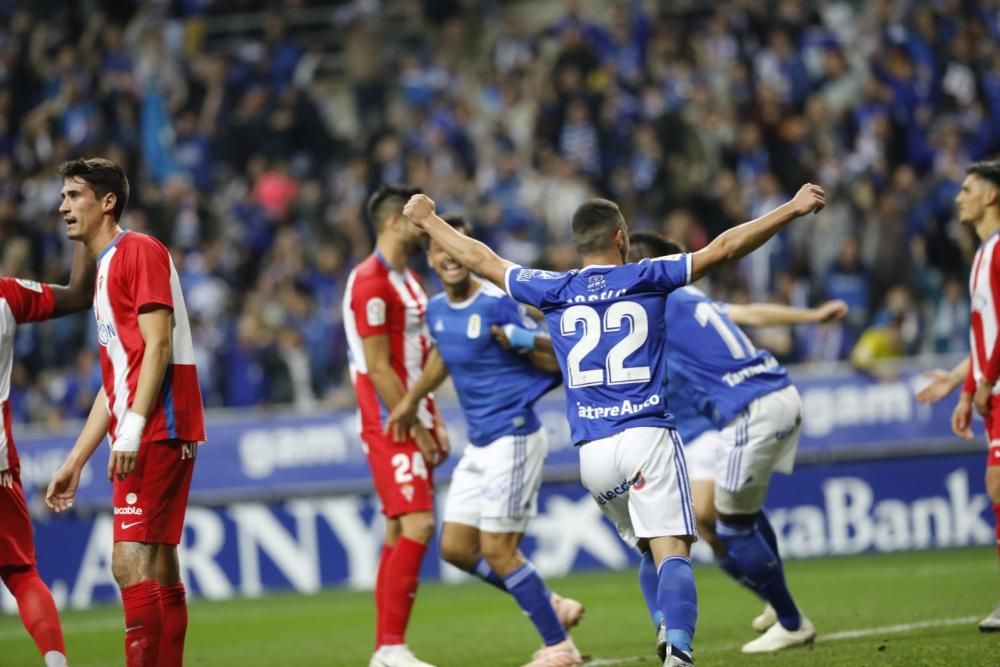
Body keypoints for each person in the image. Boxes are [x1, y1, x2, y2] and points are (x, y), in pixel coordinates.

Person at [402, 183, 827, 667]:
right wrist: (790, 209)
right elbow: (725, 247)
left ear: (577, 246)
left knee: (648, 549)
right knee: (672, 550)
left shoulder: (554, 288)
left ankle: (666, 634)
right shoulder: (648, 276)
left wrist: (430, 221)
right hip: (645, 434)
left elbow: (483, 261)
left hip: (594, 455)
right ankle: (680, 654)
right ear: (621, 238)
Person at [626, 232, 847, 654]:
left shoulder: (657, 302)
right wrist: (813, 316)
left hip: (746, 411)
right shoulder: (692, 299)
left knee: (726, 523)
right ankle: (775, 602)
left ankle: (790, 619)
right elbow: (750, 314)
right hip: (776, 395)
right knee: (732, 518)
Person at [386, 215, 585, 667]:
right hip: (478, 443)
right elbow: (444, 354)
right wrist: (411, 401)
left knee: (498, 550)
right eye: (440, 251)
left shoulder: (496, 303)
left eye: (458, 249)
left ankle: (559, 647)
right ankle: (550, 602)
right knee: (457, 549)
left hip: (514, 435)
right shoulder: (437, 311)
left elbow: (558, 356)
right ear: (432, 260)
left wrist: (521, 339)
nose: (450, 258)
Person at [45, 157, 206, 667]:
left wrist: (131, 433)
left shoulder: (137, 250)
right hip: (153, 424)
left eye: (74, 195)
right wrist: (77, 458)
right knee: (158, 565)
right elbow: (119, 378)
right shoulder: (108, 268)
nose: (63, 206)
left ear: (107, 202)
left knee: (128, 562)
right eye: (64, 196)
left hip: (158, 426)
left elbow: (157, 348)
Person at [342, 185, 450, 667]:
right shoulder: (370, 281)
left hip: (411, 416)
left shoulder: (408, 281)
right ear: (391, 222)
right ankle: (391, 648)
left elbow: (419, 359)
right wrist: (416, 424)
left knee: (397, 530)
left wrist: (435, 416)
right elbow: (379, 367)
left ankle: (386, 649)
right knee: (419, 523)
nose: (421, 222)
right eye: (412, 217)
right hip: (390, 422)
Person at [0, 243, 95, 667]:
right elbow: (79, 293)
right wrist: (82, 230)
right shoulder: (6, 294)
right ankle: (57, 663)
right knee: (21, 574)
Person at [918, 159, 1000, 633]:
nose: (958, 197)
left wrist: (985, 380)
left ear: (990, 196)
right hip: (991, 389)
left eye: (967, 188)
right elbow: (982, 334)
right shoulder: (983, 256)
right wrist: (965, 389)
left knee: (996, 483)